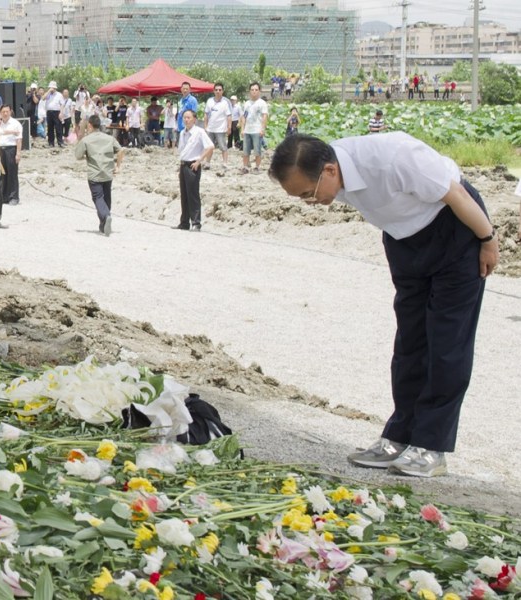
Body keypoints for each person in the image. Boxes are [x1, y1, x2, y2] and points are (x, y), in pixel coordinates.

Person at [268, 132, 499, 478]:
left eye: (308, 194)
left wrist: (488, 240)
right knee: (410, 343)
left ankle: (431, 446)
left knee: (447, 343)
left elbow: (458, 194)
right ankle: (399, 436)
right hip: (405, 240)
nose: (308, 202)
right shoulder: (330, 169)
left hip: (456, 230)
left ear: (330, 171)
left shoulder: (392, 157)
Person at [73, 114, 124, 236]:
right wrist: (118, 166)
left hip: (94, 174)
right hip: (108, 172)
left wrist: (80, 136)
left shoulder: (86, 140)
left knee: (98, 198)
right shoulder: (109, 138)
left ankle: (106, 217)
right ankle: (103, 224)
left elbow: (78, 156)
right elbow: (121, 150)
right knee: (106, 198)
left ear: (89, 125)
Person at [175, 109, 214, 232]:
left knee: (193, 195)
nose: (186, 120)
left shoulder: (199, 132)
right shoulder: (182, 133)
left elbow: (210, 146)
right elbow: (182, 150)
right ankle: (184, 222)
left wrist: (199, 161)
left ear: (194, 119)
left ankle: (196, 222)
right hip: (183, 164)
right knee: (184, 195)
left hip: (193, 165)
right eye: (184, 118)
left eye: (188, 118)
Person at [239, 82, 268, 174]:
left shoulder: (262, 103)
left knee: (257, 150)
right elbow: (244, 116)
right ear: (249, 91)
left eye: (256, 90)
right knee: (245, 150)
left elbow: (264, 116)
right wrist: (242, 129)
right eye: (252, 90)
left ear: (259, 91)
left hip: (257, 129)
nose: (254, 91)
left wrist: (263, 129)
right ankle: (245, 167)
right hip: (248, 130)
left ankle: (257, 167)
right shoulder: (247, 103)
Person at [0, 105, 23, 206]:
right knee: (2, 174)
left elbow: (19, 139)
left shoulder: (15, 123)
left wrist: (18, 153)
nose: (5, 113)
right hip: (0, 150)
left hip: (11, 149)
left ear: (10, 112)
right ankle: (4, 196)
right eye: (3, 111)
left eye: (7, 111)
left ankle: (14, 197)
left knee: (12, 174)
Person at [203, 82, 231, 165]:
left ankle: (225, 163)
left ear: (223, 91)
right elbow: (206, 114)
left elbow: (229, 115)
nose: (218, 91)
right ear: (213, 91)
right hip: (210, 128)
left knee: (223, 147)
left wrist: (229, 127)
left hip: (221, 129)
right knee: (209, 147)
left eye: (220, 90)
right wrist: (205, 126)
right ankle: (207, 162)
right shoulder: (209, 101)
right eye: (216, 90)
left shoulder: (226, 102)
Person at [43, 81, 65, 148]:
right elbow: (43, 98)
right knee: (50, 128)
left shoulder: (59, 95)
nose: (52, 89)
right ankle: (51, 143)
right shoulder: (48, 94)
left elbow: (62, 104)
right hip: (49, 112)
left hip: (56, 112)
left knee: (58, 128)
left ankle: (60, 142)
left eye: (52, 88)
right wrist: (49, 91)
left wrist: (61, 113)